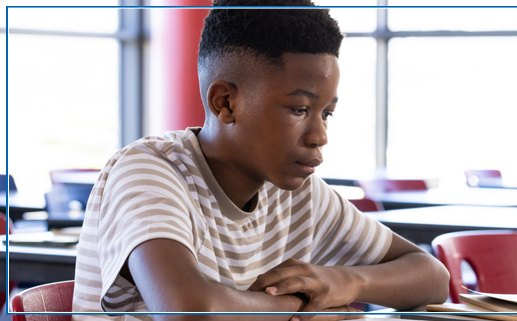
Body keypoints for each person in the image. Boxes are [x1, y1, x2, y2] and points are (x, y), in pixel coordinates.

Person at [71, 1, 449, 320]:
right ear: (226, 103)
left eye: (326, 113)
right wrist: (297, 304)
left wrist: (344, 282)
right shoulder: (149, 170)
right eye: (299, 109)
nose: (319, 136)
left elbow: (431, 275)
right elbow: (187, 311)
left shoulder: (299, 194)